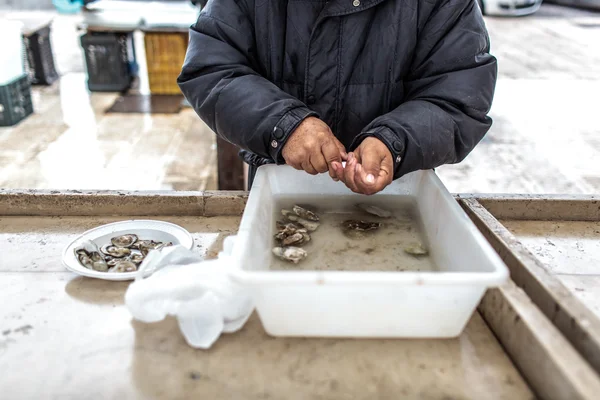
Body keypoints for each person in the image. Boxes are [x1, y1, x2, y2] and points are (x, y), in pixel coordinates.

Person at [178, 0, 497, 194]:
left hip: (398, 189)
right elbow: (212, 69)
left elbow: (459, 96)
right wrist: (284, 125)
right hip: (277, 183)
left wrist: (394, 141)